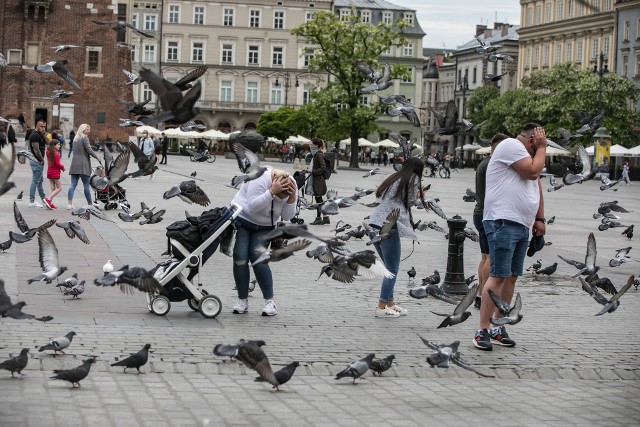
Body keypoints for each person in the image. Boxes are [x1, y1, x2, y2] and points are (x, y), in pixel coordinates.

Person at [475, 123, 547, 351]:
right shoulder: (511, 145)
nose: (539, 150)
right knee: (497, 276)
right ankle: (482, 330)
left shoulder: (526, 156)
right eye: (537, 143)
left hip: (521, 224)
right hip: (502, 220)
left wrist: (540, 218)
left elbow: (536, 185)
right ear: (530, 139)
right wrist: (542, 147)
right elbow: (533, 171)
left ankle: (498, 325)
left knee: (511, 277)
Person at [231, 168, 297, 316]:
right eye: (280, 197)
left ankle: (269, 301)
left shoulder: (291, 184)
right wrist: (271, 192)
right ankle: (242, 300)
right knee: (240, 256)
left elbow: (287, 216)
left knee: (258, 258)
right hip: (244, 219)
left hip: (266, 227)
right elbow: (253, 207)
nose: (280, 201)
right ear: (273, 182)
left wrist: (291, 198)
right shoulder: (260, 178)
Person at [368, 157, 425, 318]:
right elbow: (411, 201)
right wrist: (418, 195)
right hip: (388, 227)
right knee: (392, 269)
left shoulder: (395, 177)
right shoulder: (414, 178)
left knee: (388, 266)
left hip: (374, 225)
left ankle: (390, 302)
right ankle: (381, 305)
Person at [472, 134, 508, 309]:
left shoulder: (484, 163)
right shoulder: (494, 165)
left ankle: (480, 293)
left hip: (480, 212)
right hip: (489, 214)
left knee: (484, 256)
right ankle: (485, 295)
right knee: (491, 258)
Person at [67, 124, 102, 210]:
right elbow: (89, 149)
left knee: (73, 185)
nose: (88, 131)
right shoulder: (84, 138)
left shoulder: (75, 138)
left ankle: (69, 203)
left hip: (74, 164)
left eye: (89, 129)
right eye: (87, 129)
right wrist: (97, 157)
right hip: (83, 165)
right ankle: (90, 203)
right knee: (86, 185)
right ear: (82, 130)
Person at [304, 137, 329, 225]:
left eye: (311, 144)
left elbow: (323, 168)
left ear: (316, 145)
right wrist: (309, 170)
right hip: (316, 180)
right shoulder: (316, 154)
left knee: (319, 200)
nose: (310, 146)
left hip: (318, 181)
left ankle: (320, 218)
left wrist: (312, 171)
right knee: (319, 200)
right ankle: (324, 218)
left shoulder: (318, 154)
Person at [28, 119, 48, 208]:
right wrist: (41, 159)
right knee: (35, 181)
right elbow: (36, 150)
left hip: (37, 161)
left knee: (39, 181)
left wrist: (44, 135)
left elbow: (49, 143)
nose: (43, 128)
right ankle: (32, 201)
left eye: (44, 126)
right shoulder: (34, 135)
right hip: (36, 161)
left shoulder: (40, 134)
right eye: (41, 126)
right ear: (37, 126)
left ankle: (43, 199)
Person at [44, 138, 65, 209]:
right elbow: (57, 164)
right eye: (58, 144)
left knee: (52, 188)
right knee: (59, 188)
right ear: (54, 145)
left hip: (49, 172)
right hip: (55, 173)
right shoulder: (56, 153)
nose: (60, 145)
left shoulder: (48, 151)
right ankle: (48, 199)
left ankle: (49, 203)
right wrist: (63, 167)